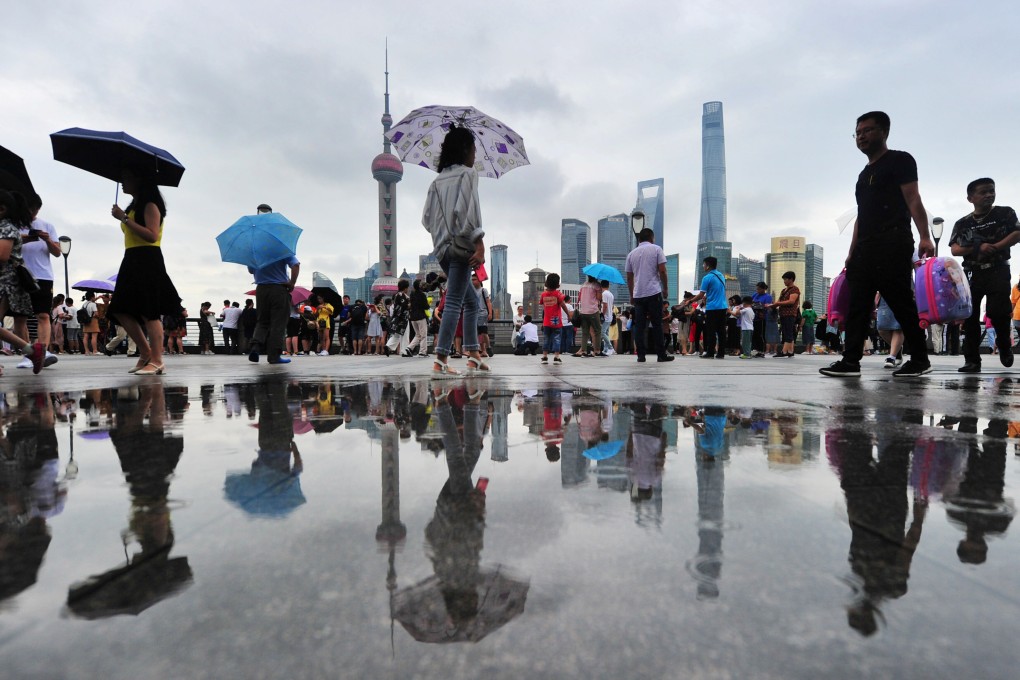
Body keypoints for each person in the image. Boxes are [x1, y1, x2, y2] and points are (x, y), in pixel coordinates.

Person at [821, 111, 933, 378]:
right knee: (857, 306)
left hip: (893, 241)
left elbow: (913, 199)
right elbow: (862, 215)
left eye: (867, 131)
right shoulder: (863, 175)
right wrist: (851, 252)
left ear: (884, 132)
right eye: (857, 132)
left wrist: (925, 236)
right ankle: (850, 362)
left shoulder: (900, 160)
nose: (861, 136)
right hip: (865, 249)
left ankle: (919, 359)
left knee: (901, 303)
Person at [421, 124, 489, 377]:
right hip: (462, 246)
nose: (475, 156)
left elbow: (427, 219)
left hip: (441, 249)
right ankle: (441, 357)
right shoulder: (467, 175)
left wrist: (442, 238)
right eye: (473, 149)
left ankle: (473, 354)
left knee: (471, 301)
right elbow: (469, 212)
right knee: (453, 303)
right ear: (464, 149)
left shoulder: (436, 182)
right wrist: (478, 242)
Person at [109, 170, 183, 375]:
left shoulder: (150, 205)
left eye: (128, 177)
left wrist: (124, 218)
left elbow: (152, 235)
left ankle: (157, 360)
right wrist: (125, 217)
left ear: (140, 179)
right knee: (120, 308)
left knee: (150, 311)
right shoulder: (133, 206)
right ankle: (146, 352)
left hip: (148, 258)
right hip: (131, 258)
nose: (123, 182)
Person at [949, 178, 1020, 373]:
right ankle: (972, 360)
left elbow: (1017, 233)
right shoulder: (962, 223)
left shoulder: (1005, 213)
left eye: (992, 191)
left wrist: (996, 247)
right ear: (971, 198)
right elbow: (955, 249)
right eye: (983, 192)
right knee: (969, 316)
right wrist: (978, 248)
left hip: (998, 269)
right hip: (972, 273)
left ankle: (1004, 344)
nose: (989, 195)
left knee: (998, 312)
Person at [0, 190, 47, 372]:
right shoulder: (6, 226)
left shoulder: (6, 227)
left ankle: (32, 350)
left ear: (2, 209)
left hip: (6, 283)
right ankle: (32, 350)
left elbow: (3, 256)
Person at [14, 195, 59, 368]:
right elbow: (8, 244)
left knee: (43, 315)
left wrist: (47, 239)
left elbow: (57, 252)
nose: (33, 213)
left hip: (43, 275)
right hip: (20, 273)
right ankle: (27, 354)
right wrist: (28, 238)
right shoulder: (14, 225)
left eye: (36, 210)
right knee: (20, 317)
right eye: (30, 209)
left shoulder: (48, 225)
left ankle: (44, 350)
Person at [625, 228, 674, 363]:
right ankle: (661, 355)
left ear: (639, 239)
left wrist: (631, 295)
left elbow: (629, 277)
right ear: (652, 238)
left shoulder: (631, 254)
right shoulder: (657, 249)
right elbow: (663, 271)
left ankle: (641, 355)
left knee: (640, 326)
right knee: (657, 324)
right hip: (653, 292)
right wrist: (665, 288)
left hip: (638, 295)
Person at [247, 253, 299, 365]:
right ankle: (274, 356)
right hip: (278, 289)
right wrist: (292, 283)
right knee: (278, 324)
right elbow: (296, 265)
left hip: (261, 290)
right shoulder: (281, 249)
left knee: (262, 322)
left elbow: (251, 270)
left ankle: (255, 347)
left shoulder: (255, 252)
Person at [690, 257, 727, 360]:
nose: (703, 266)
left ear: (708, 265)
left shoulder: (707, 278)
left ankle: (710, 353)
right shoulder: (721, 276)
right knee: (721, 331)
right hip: (723, 306)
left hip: (712, 307)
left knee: (710, 331)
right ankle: (721, 353)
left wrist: (691, 300)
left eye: (704, 264)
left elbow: (701, 295)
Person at [538, 272, 569, 364]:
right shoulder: (558, 294)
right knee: (557, 338)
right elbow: (563, 305)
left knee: (546, 338)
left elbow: (541, 303)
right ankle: (556, 356)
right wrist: (568, 314)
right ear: (557, 284)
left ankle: (544, 356)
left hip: (546, 321)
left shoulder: (543, 294)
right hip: (556, 322)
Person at [768, 271, 800, 358]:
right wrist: (772, 305)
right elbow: (779, 301)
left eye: (786, 279)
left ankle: (784, 351)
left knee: (788, 333)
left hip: (790, 314)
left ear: (791, 279)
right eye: (784, 279)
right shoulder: (783, 290)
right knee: (786, 332)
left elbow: (791, 301)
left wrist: (777, 304)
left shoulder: (794, 289)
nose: (784, 281)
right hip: (782, 314)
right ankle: (790, 351)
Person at [405, 281, 430, 357]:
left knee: (418, 334)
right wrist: (428, 303)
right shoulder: (422, 295)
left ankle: (409, 348)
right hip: (421, 317)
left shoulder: (412, 294)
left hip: (413, 317)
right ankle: (422, 352)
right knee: (423, 335)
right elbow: (426, 306)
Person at [471, 273, 492, 358]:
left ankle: (488, 347)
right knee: (477, 333)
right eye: (471, 280)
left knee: (483, 332)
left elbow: (488, 302)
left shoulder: (483, 290)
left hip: (483, 313)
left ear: (479, 280)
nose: (472, 282)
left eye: (474, 280)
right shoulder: (471, 291)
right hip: (473, 314)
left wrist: (490, 313)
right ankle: (482, 350)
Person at [750, 282, 772, 358]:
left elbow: (767, 306)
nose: (757, 290)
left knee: (760, 335)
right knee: (754, 335)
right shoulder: (755, 295)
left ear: (763, 289)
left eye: (759, 289)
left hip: (761, 318)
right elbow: (750, 302)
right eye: (757, 289)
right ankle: (754, 350)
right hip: (753, 318)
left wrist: (759, 305)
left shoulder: (767, 296)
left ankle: (761, 351)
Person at [600, 280, 615, 355]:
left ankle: (610, 348)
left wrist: (602, 314)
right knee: (606, 333)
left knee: (602, 333)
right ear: (608, 286)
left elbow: (605, 306)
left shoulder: (604, 294)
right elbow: (612, 306)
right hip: (610, 316)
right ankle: (605, 350)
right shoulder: (611, 294)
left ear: (601, 286)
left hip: (606, 317)